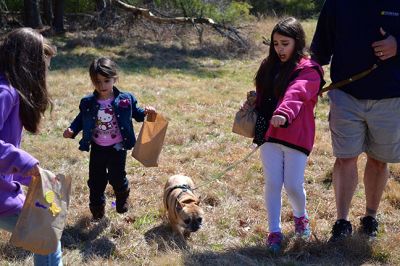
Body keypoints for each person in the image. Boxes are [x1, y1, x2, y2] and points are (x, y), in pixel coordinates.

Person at [311, 1, 399, 242]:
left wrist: (397, 45)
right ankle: (342, 221)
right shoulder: (337, 3)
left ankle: (370, 217)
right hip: (345, 95)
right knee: (345, 158)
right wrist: (307, 84)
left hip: (390, 98)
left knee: (379, 161)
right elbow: (319, 51)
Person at [243, 17, 323, 252]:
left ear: (297, 42)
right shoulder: (268, 65)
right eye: (276, 43)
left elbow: (296, 94)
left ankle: (301, 218)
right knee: (273, 183)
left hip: (296, 135)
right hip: (268, 133)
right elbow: (264, 94)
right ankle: (274, 232)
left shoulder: (309, 70)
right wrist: (251, 104)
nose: (279, 49)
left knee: (293, 185)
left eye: (285, 43)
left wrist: (284, 113)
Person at [63, 57, 156, 220]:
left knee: (116, 177)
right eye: (97, 82)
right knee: (95, 180)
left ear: (115, 78)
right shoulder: (88, 102)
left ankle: (123, 194)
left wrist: (149, 113)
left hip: (118, 147)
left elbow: (139, 115)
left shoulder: (126, 99)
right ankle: (97, 208)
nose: (102, 86)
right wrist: (72, 129)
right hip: (98, 147)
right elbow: (81, 118)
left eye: (106, 81)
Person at [0, 28, 61, 265]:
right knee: (46, 235)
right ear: (29, 63)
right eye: (43, 65)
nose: (45, 72)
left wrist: (35, 177)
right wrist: (29, 165)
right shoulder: (5, 92)